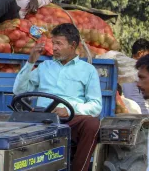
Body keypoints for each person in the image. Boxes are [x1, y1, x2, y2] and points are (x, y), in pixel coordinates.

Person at [13, 23, 102, 171]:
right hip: (42, 118)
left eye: (59, 44)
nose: (54, 48)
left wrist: (69, 109)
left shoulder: (88, 70)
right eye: (53, 43)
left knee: (92, 124)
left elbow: (96, 105)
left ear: (72, 45)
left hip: (71, 120)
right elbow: (19, 90)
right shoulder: (44, 66)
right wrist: (31, 62)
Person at [122, 38, 149, 114]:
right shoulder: (132, 69)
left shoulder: (123, 71)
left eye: (142, 78)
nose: (138, 84)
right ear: (140, 54)